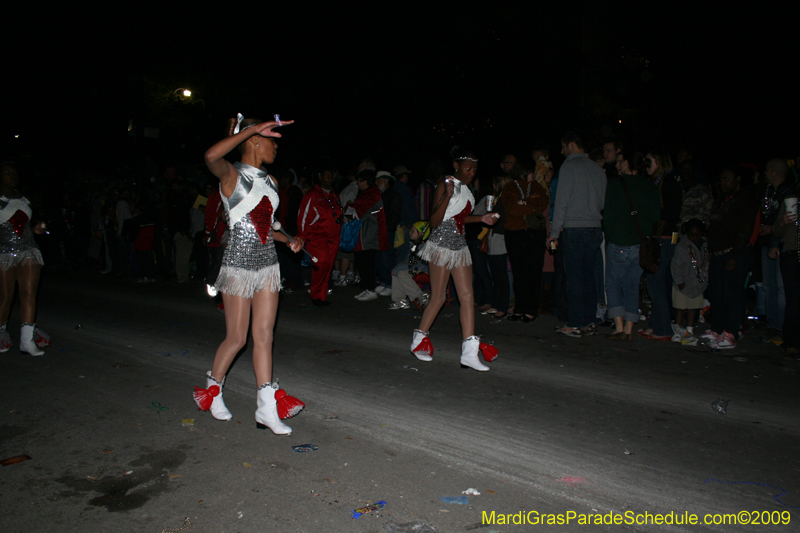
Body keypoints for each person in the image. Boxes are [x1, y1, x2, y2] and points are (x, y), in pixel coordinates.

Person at [192, 115, 305, 436]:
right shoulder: (231, 175)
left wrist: (289, 239)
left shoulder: (269, 182)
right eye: (271, 140)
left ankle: (266, 409)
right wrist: (251, 128)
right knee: (237, 337)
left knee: (265, 336)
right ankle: (213, 393)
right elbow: (210, 157)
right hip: (239, 266)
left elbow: (267, 228)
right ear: (254, 141)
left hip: (268, 264)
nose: (275, 147)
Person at [411, 146, 499, 371]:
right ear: (456, 166)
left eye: (475, 169)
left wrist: (483, 218)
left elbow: (461, 218)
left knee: (467, 296)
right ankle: (418, 340)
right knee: (439, 297)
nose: (472, 172)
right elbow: (434, 222)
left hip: (459, 245)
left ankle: (469, 353)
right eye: (468, 168)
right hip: (440, 245)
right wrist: (447, 196)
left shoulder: (467, 189)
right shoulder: (445, 184)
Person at [548, 131, 607, 337]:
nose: (562, 151)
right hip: (595, 228)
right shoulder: (597, 168)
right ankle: (589, 321)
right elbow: (601, 203)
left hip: (574, 229)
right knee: (589, 277)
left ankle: (574, 323)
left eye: (563, 147)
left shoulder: (569, 166)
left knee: (573, 278)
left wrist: (554, 232)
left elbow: (562, 202)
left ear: (572, 145)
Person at [602, 152, 660, 341]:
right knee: (632, 285)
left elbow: (608, 214)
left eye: (620, 162)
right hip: (640, 244)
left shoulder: (615, 184)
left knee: (613, 284)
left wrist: (612, 234)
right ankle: (629, 328)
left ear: (627, 163)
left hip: (619, 241)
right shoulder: (650, 186)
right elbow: (655, 216)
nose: (618, 166)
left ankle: (618, 326)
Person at [700, 167, 758, 349]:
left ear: (737, 180)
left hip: (734, 253)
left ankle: (731, 332)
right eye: (721, 180)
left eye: (727, 179)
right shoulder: (721, 200)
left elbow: (745, 228)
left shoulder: (744, 199)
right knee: (716, 293)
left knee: (732, 294)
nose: (723, 183)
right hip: (718, 253)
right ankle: (716, 328)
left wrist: (735, 255)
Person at [0, 162, 51, 355]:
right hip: (4, 253)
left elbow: (23, 227)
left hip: (28, 249)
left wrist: (35, 229)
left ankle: (26, 341)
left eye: (14, 172)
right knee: (5, 297)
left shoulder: (24, 199)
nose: (12, 175)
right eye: (7, 172)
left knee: (29, 294)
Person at [501, 163, 549, 322]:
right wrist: (530, 204)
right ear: (524, 172)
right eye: (531, 171)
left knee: (533, 271)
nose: (534, 173)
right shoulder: (509, 187)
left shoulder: (537, 186)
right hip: (515, 232)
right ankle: (520, 307)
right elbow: (512, 208)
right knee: (519, 271)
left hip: (535, 232)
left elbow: (543, 202)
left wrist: (524, 202)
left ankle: (531, 309)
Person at [296, 168, 343, 307]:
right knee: (321, 263)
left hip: (333, 237)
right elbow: (303, 217)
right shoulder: (312, 194)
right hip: (317, 236)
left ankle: (321, 297)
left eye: (332, 176)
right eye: (327, 176)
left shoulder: (334, 194)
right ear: (320, 177)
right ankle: (315, 295)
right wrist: (302, 237)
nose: (330, 179)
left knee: (328, 266)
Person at [670, 219, 709, 345]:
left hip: (697, 284)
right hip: (683, 283)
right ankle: (678, 330)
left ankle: (690, 330)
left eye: (698, 235)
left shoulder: (704, 246)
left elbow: (706, 264)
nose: (695, 238)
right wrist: (679, 280)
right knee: (680, 308)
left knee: (693, 307)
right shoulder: (682, 246)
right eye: (692, 235)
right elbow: (675, 266)